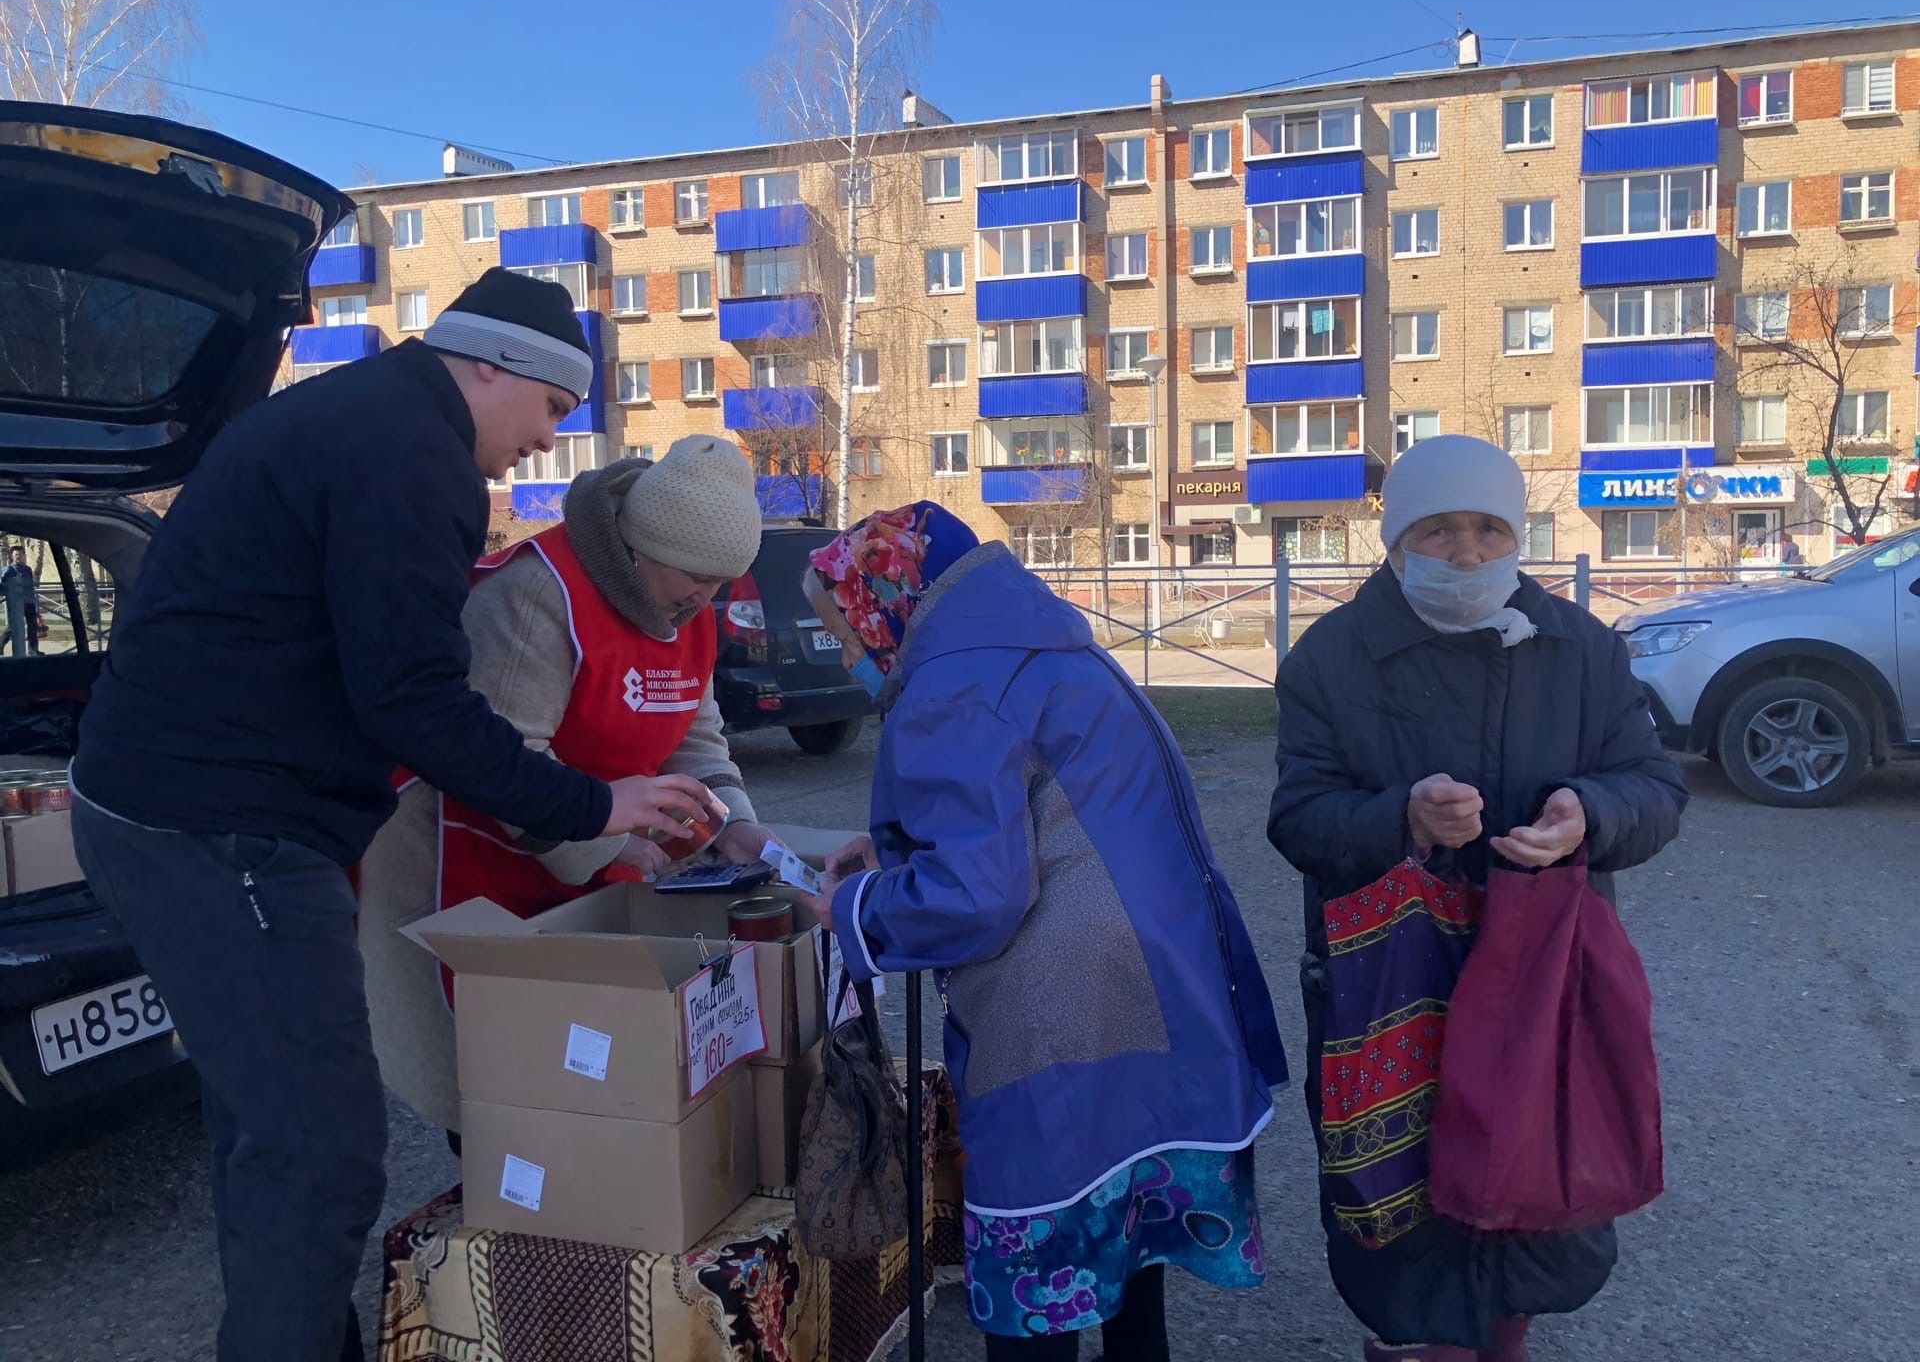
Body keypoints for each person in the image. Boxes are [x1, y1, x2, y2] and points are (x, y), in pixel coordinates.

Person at [68, 269, 720, 1362]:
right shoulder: (412, 458)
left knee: (269, 1138)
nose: (546, 443)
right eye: (553, 410)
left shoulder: (361, 420)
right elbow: (413, 698)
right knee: (320, 1150)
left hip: (174, 807)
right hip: (221, 828)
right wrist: (592, 802)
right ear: (490, 366)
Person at [797, 502, 1288, 1362]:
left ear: (887, 603)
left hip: (1058, 1017)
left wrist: (855, 908)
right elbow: (1049, 806)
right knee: (1133, 1281)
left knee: (1034, 1309)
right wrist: (894, 852)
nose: (846, 653)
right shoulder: (1046, 650)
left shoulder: (949, 685)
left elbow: (978, 894)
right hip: (1163, 987)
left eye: (844, 627)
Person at [1267, 434, 1687, 1362]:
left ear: (1519, 535)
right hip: (1387, 979)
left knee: (1528, 1162)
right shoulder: (1332, 656)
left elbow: (1657, 790)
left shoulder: (1580, 648)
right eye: (1438, 530)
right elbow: (1298, 819)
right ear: (1393, 539)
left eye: (1489, 529)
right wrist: (1403, 820)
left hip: (1538, 970)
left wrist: (1593, 814)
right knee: (1399, 1191)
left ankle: (1505, 1339)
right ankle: (1410, 1345)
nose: (1465, 552)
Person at [358, 437, 782, 1137]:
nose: (705, 598)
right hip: (473, 864)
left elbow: (695, 735)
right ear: (640, 548)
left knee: (590, 1072)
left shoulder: (686, 610)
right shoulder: (539, 595)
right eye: (694, 579)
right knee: (503, 1082)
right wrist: (605, 848)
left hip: (587, 854)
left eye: (722, 583)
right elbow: (497, 762)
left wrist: (731, 821)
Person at [2, 545, 41, 657]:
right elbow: (4, 586)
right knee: (13, 627)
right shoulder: (9, 569)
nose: (18, 557)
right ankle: (0, 645)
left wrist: (34, 601)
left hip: (29, 602)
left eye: (20, 555)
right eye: (16, 555)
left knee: (33, 626)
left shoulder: (28, 569)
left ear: (24, 555)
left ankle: (33, 650)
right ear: (12, 556)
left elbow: (31, 587)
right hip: (16, 603)